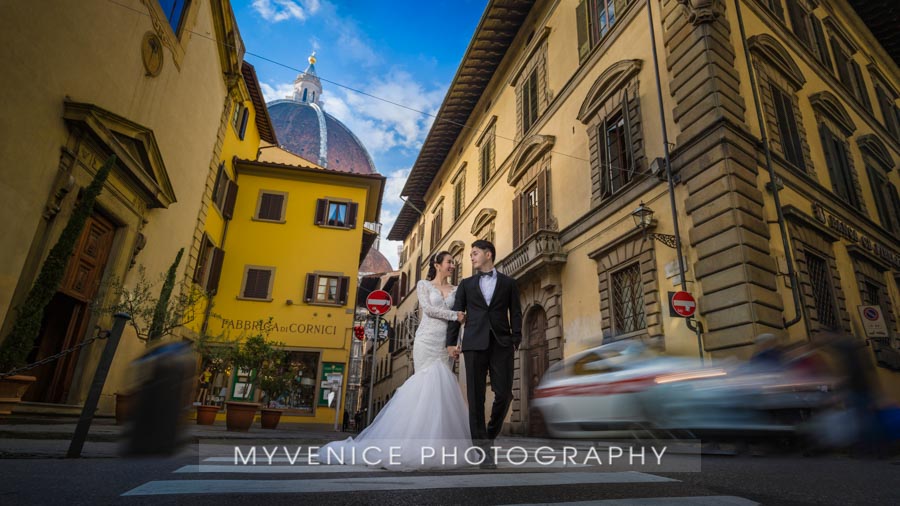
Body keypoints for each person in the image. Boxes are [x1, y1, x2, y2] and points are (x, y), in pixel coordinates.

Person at [318, 252, 470, 470]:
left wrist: (457, 343)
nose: (452, 266)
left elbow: (460, 320)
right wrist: (455, 315)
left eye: (454, 263)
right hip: (426, 340)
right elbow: (428, 310)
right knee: (426, 384)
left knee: (443, 387)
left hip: (445, 343)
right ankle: (411, 442)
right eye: (449, 262)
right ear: (437, 265)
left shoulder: (457, 289)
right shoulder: (423, 285)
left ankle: (438, 444)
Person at [447, 239, 522, 469]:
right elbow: (457, 313)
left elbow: (516, 312)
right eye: (470, 254)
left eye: (475, 253)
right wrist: (451, 342)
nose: (471, 257)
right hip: (473, 344)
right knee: (476, 398)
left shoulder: (509, 283)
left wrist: (515, 339)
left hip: (501, 343)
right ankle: (482, 451)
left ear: (488, 254)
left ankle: (488, 435)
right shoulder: (466, 284)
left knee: (504, 393)